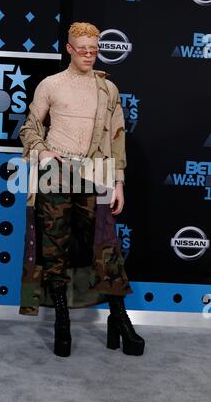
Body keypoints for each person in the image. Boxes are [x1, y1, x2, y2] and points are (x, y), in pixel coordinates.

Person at [18, 22, 145, 357]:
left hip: (96, 174)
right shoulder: (50, 85)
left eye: (94, 49)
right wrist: (42, 150)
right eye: (83, 49)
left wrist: (118, 182)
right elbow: (29, 127)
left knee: (106, 248)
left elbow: (118, 139)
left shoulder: (109, 90)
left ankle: (119, 318)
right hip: (55, 176)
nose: (89, 55)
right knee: (54, 247)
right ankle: (62, 319)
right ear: (69, 49)